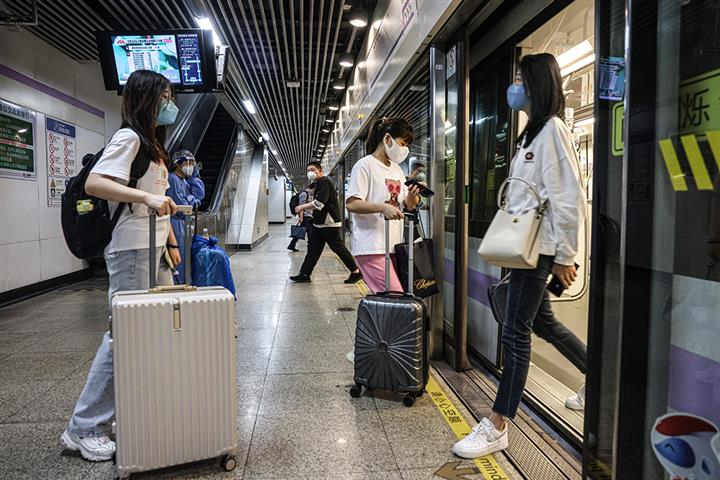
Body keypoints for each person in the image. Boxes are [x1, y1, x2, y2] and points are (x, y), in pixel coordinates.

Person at [451, 53, 587, 460]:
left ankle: (497, 424)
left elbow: (567, 199)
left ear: (536, 84)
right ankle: (600, 377)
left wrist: (565, 255)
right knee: (542, 324)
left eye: (519, 80)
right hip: (526, 250)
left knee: (515, 333)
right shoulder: (532, 134)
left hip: (541, 250)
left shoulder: (555, 132)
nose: (513, 87)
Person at [60, 70, 180, 462]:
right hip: (130, 251)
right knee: (123, 337)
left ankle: (118, 411)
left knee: (141, 335)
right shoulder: (129, 138)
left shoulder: (152, 145)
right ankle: (84, 427)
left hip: (152, 249)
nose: (170, 104)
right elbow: (96, 183)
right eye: (165, 96)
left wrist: (171, 241)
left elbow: (153, 198)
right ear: (147, 98)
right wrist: (144, 200)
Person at [344, 117, 422, 363]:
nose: (404, 148)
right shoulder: (364, 166)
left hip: (392, 245)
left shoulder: (397, 170)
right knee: (395, 297)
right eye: (401, 142)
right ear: (387, 139)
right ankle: (372, 348)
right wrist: (381, 208)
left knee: (385, 300)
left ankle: (372, 347)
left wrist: (411, 200)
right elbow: (352, 203)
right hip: (371, 246)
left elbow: (400, 206)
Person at [289, 162, 363, 284]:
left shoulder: (324, 182)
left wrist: (301, 207)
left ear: (320, 170)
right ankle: (305, 274)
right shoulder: (318, 183)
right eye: (308, 170)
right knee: (313, 249)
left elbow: (319, 204)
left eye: (312, 169)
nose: (310, 172)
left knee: (338, 248)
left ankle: (356, 272)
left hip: (329, 223)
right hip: (320, 223)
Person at [167, 149, 205, 283]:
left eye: (192, 163)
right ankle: (179, 284)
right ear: (178, 163)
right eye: (187, 162)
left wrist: (194, 178)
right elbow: (181, 204)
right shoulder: (172, 178)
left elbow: (199, 196)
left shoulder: (185, 181)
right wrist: (191, 200)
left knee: (186, 256)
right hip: (176, 223)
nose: (190, 165)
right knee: (180, 258)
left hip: (184, 224)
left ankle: (185, 282)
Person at [287, 183, 315, 252]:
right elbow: (301, 207)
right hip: (305, 217)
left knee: (301, 232)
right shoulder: (304, 194)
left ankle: (292, 245)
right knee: (310, 233)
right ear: (313, 188)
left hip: (308, 217)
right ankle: (311, 248)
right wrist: (301, 217)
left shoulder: (309, 194)